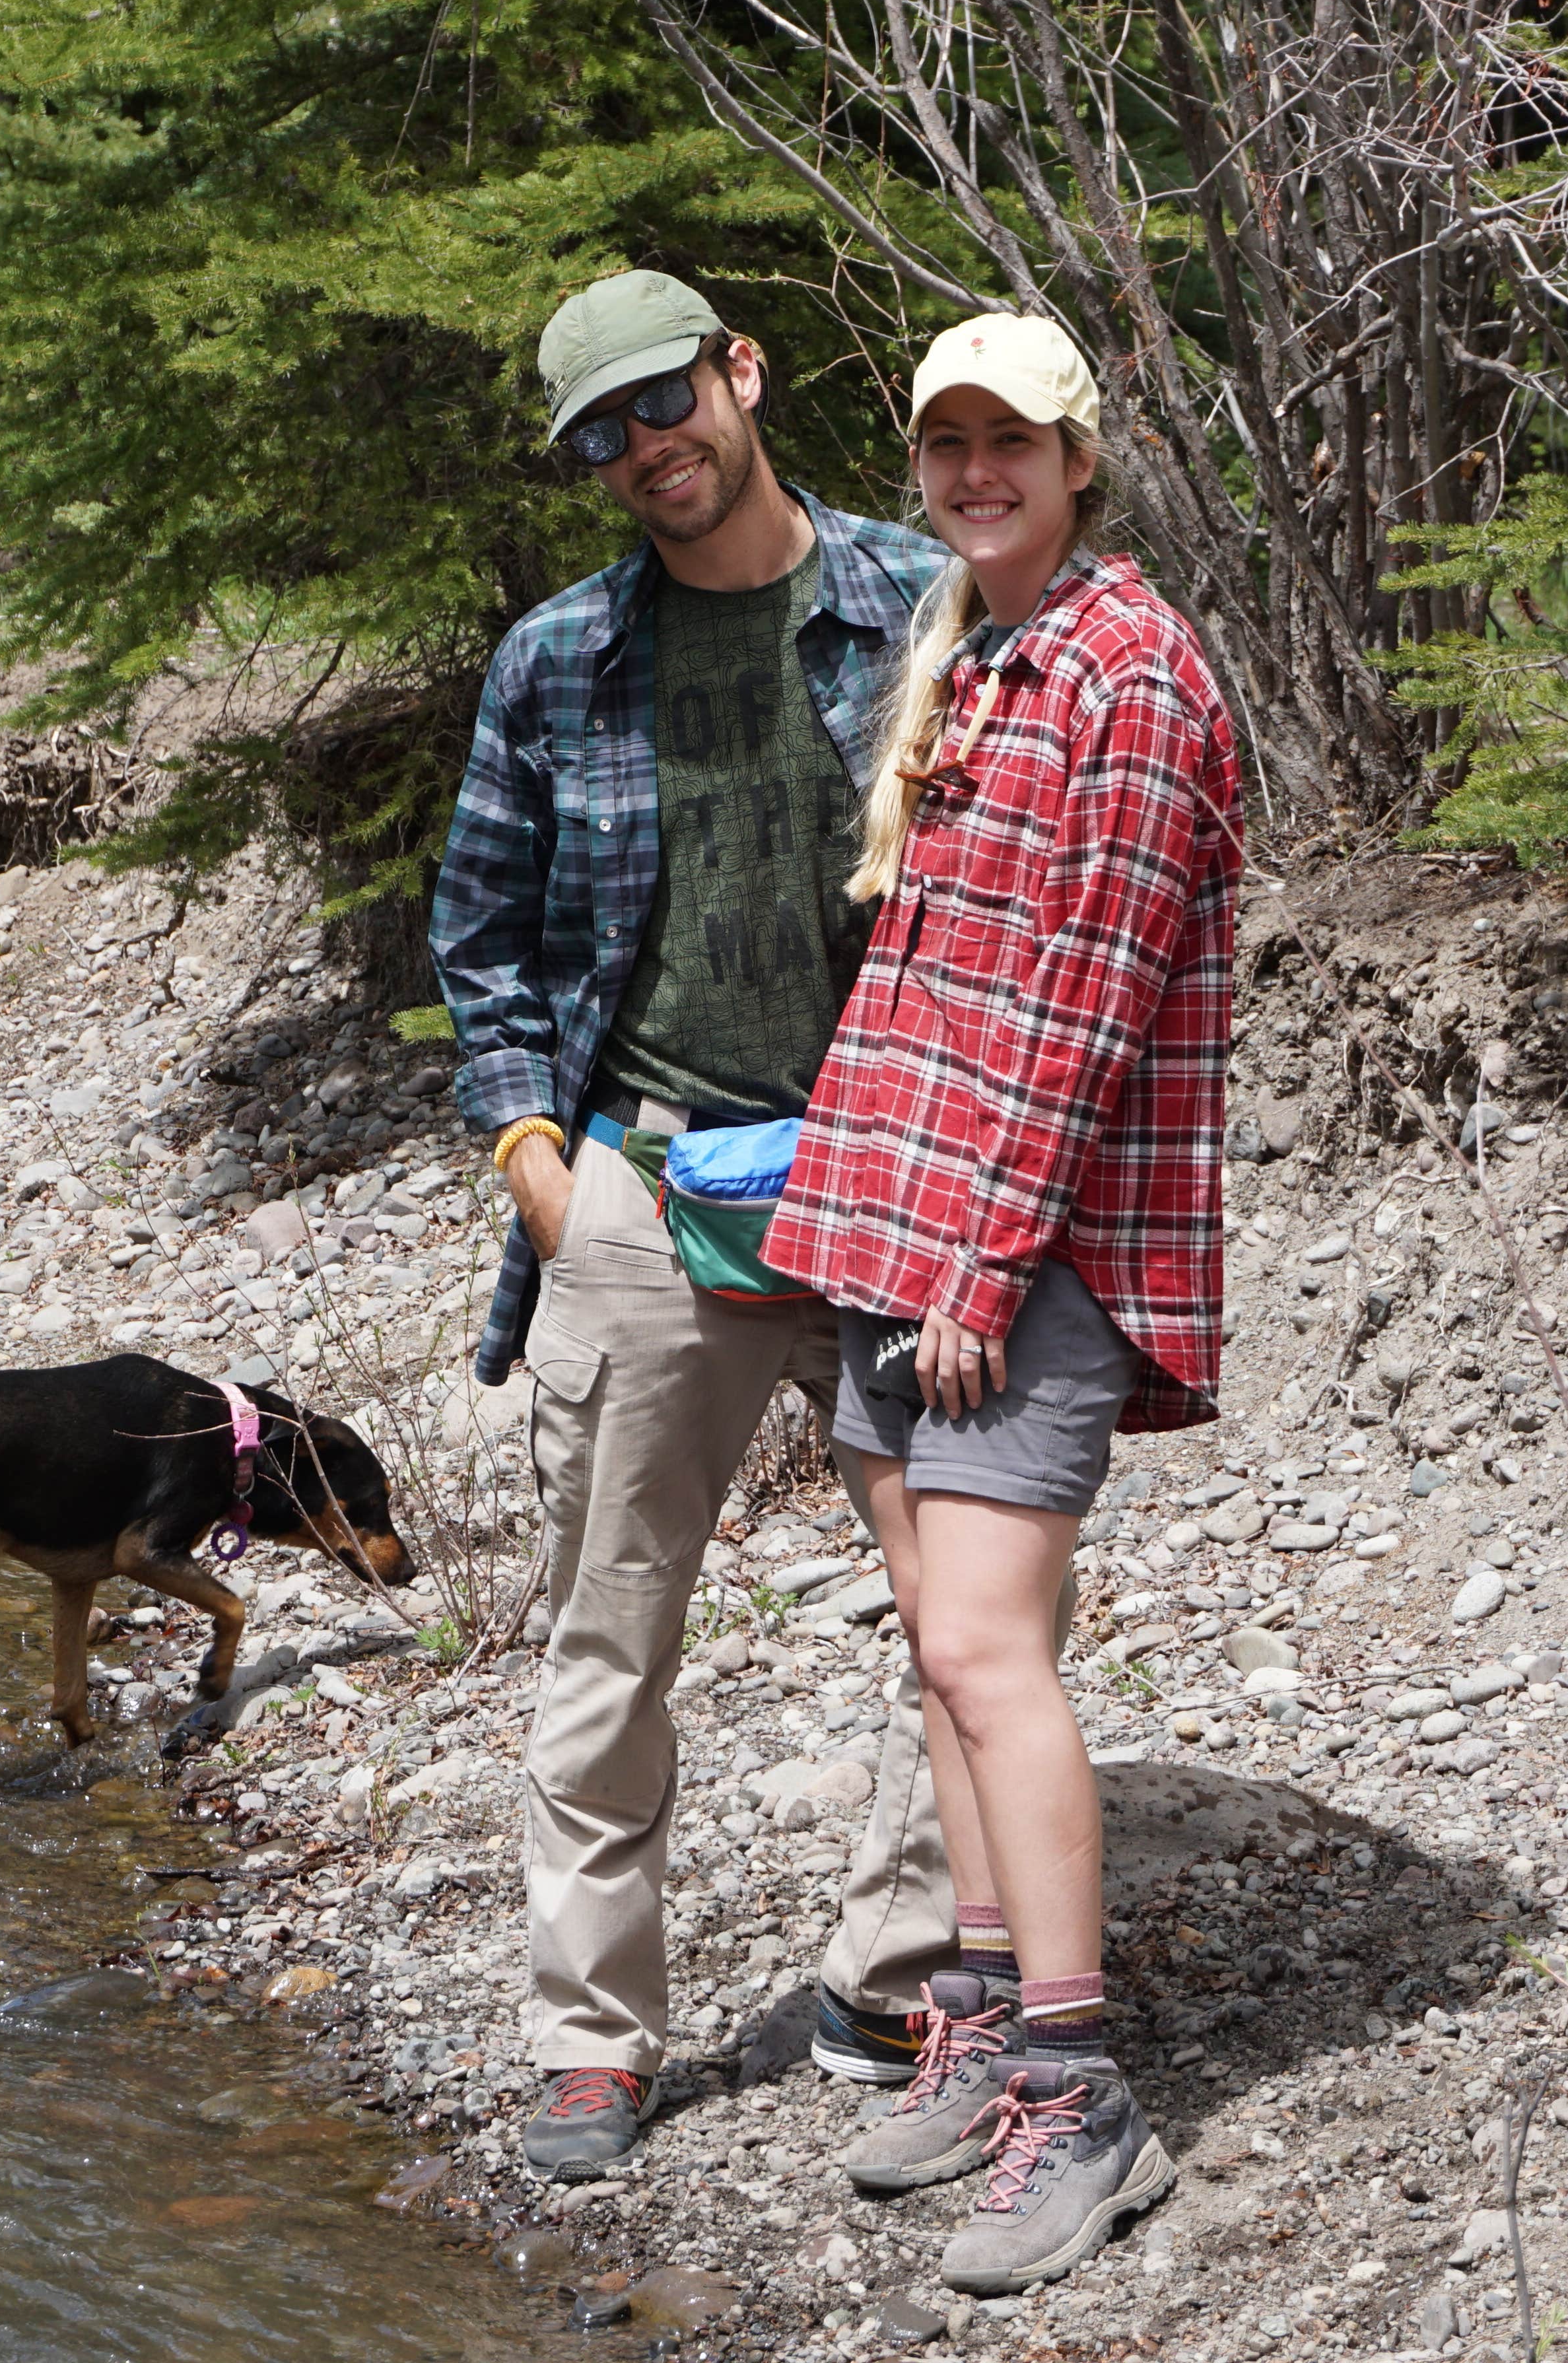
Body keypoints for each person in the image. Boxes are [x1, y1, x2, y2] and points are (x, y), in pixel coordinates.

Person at [430, 269, 994, 2180]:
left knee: (968, 1620)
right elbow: (479, 939)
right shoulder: (554, 660)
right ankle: (593, 2037)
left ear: (740, 375)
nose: (643, 448)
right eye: (599, 431)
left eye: (662, 401)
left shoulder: (929, 602)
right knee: (610, 1639)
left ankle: (898, 1972)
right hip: (650, 1196)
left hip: (897, 1186)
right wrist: (537, 1158)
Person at [759, 312, 1239, 2294]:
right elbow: (939, 985)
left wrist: (975, 1258)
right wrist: (868, 1234)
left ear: (1080, 458)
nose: (974, 474)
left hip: (1020, 1252)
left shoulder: (1131, 674)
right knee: (933, 1657)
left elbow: (1087, 1007)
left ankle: (1080, 2091)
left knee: (988, 1653)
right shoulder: (971, 643)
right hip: (902, 1228)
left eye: (1008, 444)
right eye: (945, 443)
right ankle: (972, 2011)